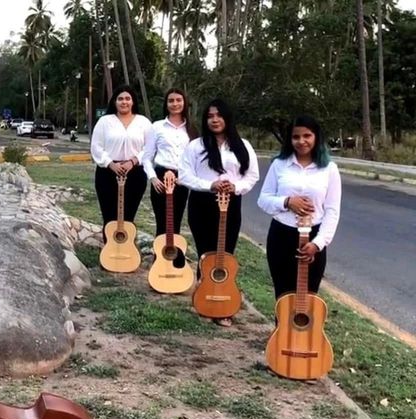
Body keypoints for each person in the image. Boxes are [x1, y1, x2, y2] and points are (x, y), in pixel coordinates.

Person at [178, 99, 260, 326]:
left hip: (231, 204)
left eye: (219, 116)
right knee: (206, 253)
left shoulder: (242, 145)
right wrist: (210, 185)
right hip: (202, 202)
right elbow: (184, 175)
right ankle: (204, 300)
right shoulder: (196, 146)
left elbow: (251, 175)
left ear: (227, 118)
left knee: (225, 253)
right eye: (210, 116)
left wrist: (236, 187)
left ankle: (223, 306)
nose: (215, 120)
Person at [257, 115, 341, 300]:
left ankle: (306, 331)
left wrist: (318, 244)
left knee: (308, 299)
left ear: (316, 137)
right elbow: (263, 199)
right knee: (283, 295)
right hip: (281, 236)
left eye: (307, 136)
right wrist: (286, 202)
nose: (301, 141)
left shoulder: (329, 169)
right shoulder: (279, 165)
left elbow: (332, 211)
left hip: (313, 238)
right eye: (296, 137)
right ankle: (281, 330)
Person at [89, 85, 151, 242]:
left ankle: (127, 253)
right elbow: (96, 147)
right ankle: (109, 253)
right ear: (115, 102)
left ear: (133, 102)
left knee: (128, 216)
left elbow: (150, 147)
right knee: (109, 216)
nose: (124, 102)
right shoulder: (105, 121)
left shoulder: (143, 122)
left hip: (135, 172)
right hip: (108, 173)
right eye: (120, 99)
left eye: (128, 99)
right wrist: (110, 163)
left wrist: (133, 161)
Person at [142, 88, 198, 237]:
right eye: (171, 100)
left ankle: (176, 258)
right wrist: (153, 178)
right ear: (166, 104)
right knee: (162, 224)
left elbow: (196, 159)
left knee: (176, 223)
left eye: (178, 100)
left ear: (184, 103)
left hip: (181, 179)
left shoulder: (191, 129)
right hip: (160, 178)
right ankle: (159, 259)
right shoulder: (157, 126)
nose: (175, 104)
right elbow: (146, 157)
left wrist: (186, 178)